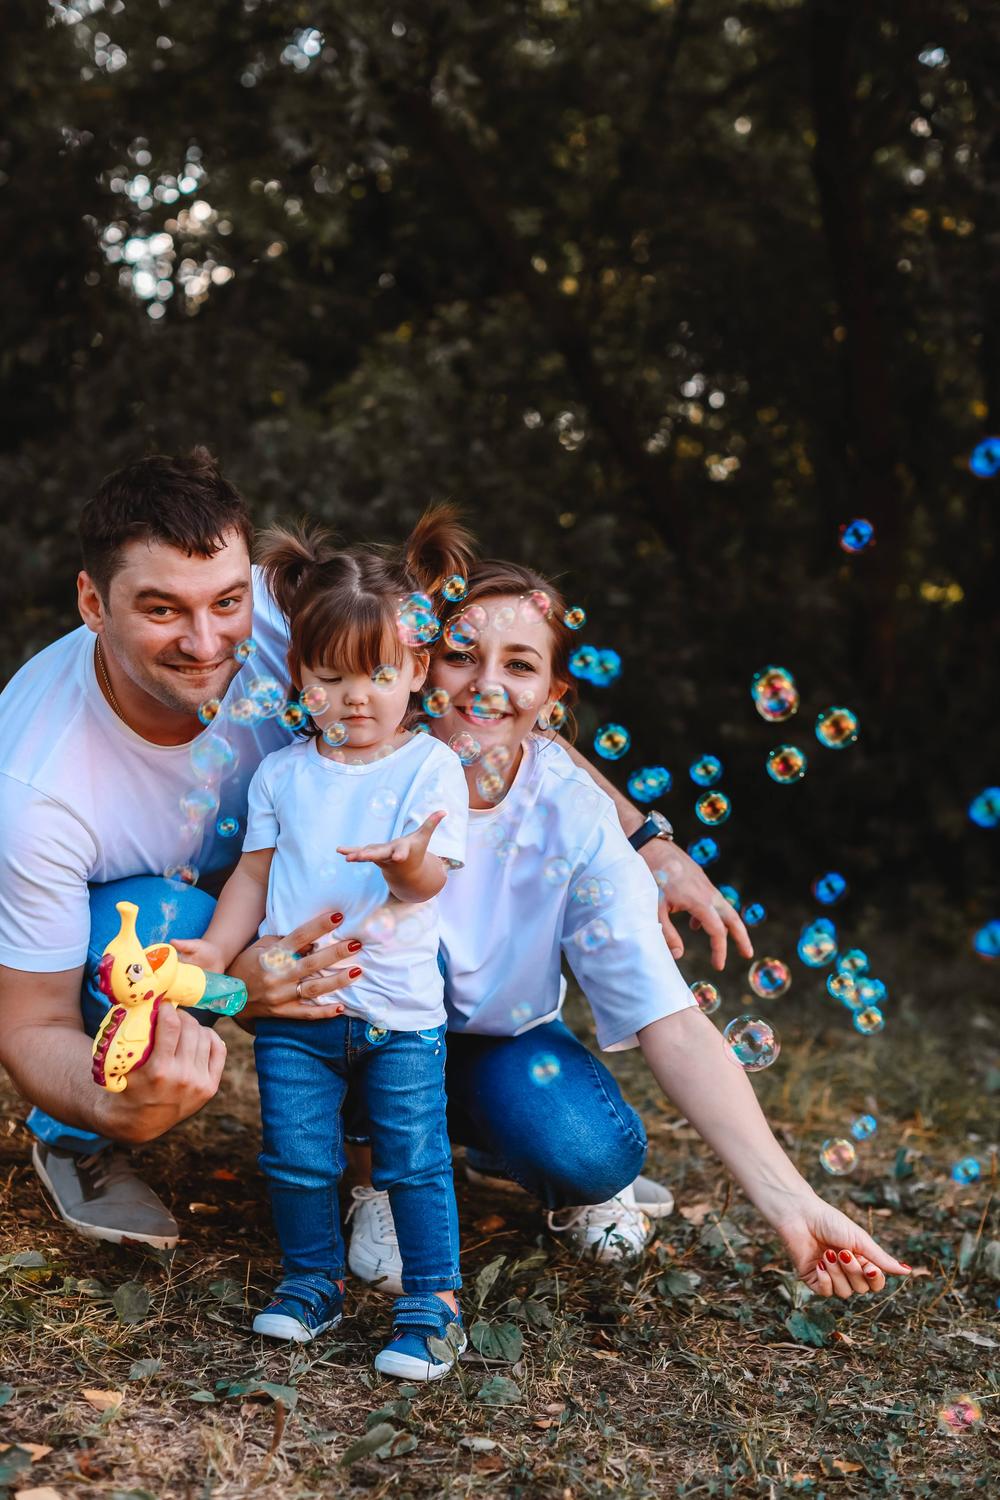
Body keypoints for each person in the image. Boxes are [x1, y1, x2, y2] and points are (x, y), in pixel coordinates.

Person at [0, 448, 749, 1251]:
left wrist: (646, 840)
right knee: (151, 917)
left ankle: (463, 1122)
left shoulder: (296, 615)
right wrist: (204, 1013)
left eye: (226, 601)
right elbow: (27, 1022)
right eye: (161, 611)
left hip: (334, 921)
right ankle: (79, 1138)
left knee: (577, 1145)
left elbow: (487, 716)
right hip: (202, 932)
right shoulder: (34, 783)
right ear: (91, 602)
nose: (208, 641)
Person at [344, 558, 911, 1301]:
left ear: (552, 695)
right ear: (421, 666)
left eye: (519, 665)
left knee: (587, 1149)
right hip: (376, 1036)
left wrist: (793, 1201)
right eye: (460, 657)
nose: (486, 683)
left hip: (502, 1042)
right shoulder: (358, 772)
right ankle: (377, 1180)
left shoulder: (574, 811)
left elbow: (671, 1022)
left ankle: (506, 1148)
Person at [176, 515, 471, 1377]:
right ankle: (313, 1280)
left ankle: (434, 1300)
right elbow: (251, 879)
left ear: (417, 670)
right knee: (297, 1157)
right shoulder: (281, 774)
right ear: (298, 674)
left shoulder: (428, 770)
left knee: (414, 1163)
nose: (355, 698)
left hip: (398, 1013)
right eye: (330, 676)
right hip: (298, 1011)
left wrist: (411, 866)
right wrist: (215, 949)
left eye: (380, 675)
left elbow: (431, 883)